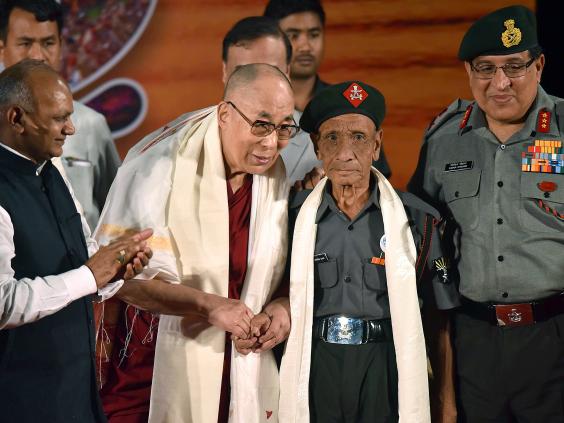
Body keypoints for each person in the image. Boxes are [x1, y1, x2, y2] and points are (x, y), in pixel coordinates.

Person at [97, 17, 302, 423]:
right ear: (225, 113)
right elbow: (116, 277)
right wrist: (208, 306)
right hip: (152, 365)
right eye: (261, 125)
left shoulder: (275, 173)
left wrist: (281, 309)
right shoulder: (159, 165)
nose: (271, 144)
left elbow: (276, 273)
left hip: (241, 364)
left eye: (283, 128)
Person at [408, 5, 564, 422]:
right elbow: (421, 242)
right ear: (468, 71)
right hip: (473, 342)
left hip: (554, 337)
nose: (500, 83)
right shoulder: (443, 140)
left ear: (539, 66)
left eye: (514, 66)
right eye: (485, 68)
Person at [278, 81, 459, 422]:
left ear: (377, 145)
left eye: (359, 137)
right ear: (316, 146)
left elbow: (439, 318)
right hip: (315, 363)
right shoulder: (291, 217)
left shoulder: (416, 220)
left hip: (386, 366)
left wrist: (444, 400)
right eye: (332, 138)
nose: (345, 152)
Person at [0, 59, 152, 423]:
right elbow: (4, 304)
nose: (71, 128)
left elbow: (83, 258)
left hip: (77, 390)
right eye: (58, 118)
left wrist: (114, 271)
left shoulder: (53, 170)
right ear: (16, 119)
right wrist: (89, 275)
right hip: (20, 399)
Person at [0, 0, 121, 230]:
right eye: (25, 43)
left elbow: (116, 209)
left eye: (48, 43)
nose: (37, 55)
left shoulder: (90, 124)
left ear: (61, 46)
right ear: (2, 47)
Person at [264, 0, 392, 178]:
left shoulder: (350, 106)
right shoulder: (256, 106)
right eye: (293, 35)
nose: (305, 46)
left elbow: (377, 180)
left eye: (314, 35)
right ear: (271, 41)